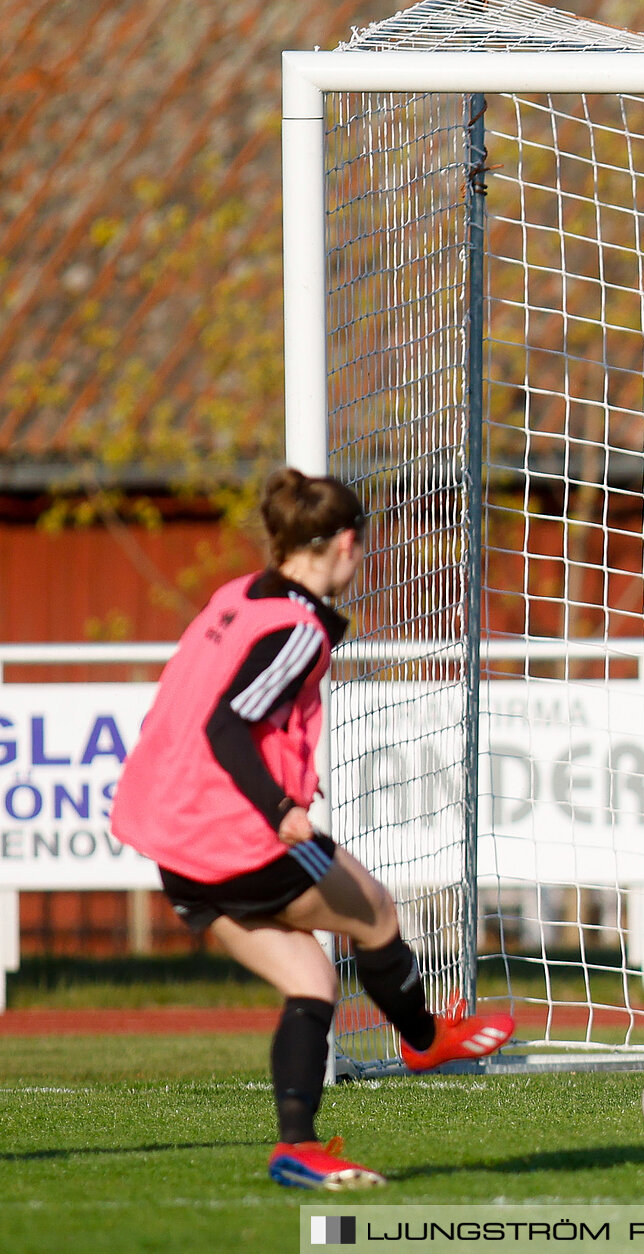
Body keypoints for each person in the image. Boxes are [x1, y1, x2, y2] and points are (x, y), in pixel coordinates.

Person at [111, 467, 515, 1189]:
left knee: (312, 982)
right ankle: (423, 1039)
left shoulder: (236, 597)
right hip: (231, 833)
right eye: (362, 546)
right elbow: (226, 722)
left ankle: (295, 1146)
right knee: (378, 910)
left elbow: (206, 706)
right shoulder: (298, 629)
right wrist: (278, 805)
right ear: (344, 545)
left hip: (172, 840)